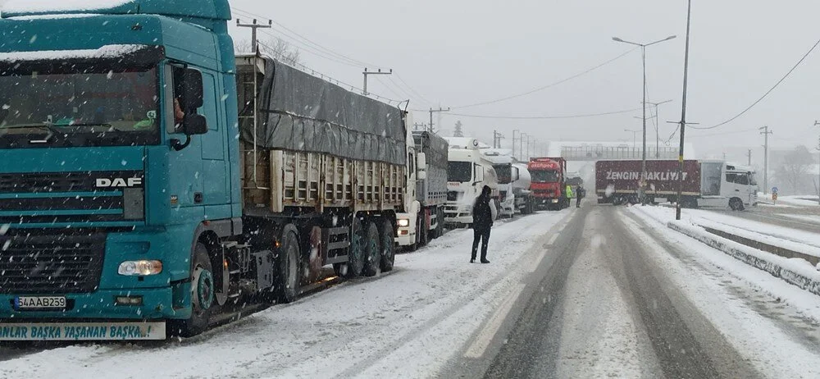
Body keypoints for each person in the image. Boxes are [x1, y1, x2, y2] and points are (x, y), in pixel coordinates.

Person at [471, 185, 496, 264]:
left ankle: (473, 257)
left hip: (477, 224)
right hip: (486, 224)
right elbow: (494, 212)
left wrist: (475, 219)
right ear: (489, 192)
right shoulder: (490, 201)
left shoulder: (476, 199)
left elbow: (471, 210)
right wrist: (492, 220)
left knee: (476, 240)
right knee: (485, 242)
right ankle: (483, 258)